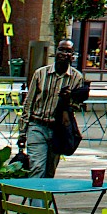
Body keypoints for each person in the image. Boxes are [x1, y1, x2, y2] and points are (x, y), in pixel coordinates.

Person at [17, 39, 87, 180]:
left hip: (58, 130)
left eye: (68, 51)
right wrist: (23, 131)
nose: (64, 54)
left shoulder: (77, 78)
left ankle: (43, 201)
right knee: (36, 168)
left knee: (49, 173)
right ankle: (36, 201)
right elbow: (28, 103)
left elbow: (77, 107)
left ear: (72, 56)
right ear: (55, 52)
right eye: (61, 50)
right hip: (37, 126)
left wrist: (69, 100)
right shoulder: (40, 74)